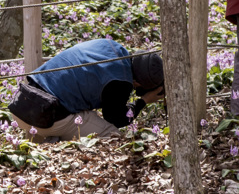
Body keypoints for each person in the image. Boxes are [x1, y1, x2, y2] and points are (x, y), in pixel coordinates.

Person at [9, 38, 165, 141]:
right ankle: (54, 139)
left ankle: (48, 139)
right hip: (46, 116)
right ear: (137, 82)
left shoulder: (111, 46)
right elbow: (116, 119)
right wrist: (144, 100)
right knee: (113, 136)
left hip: (23, 101)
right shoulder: (120, 81)